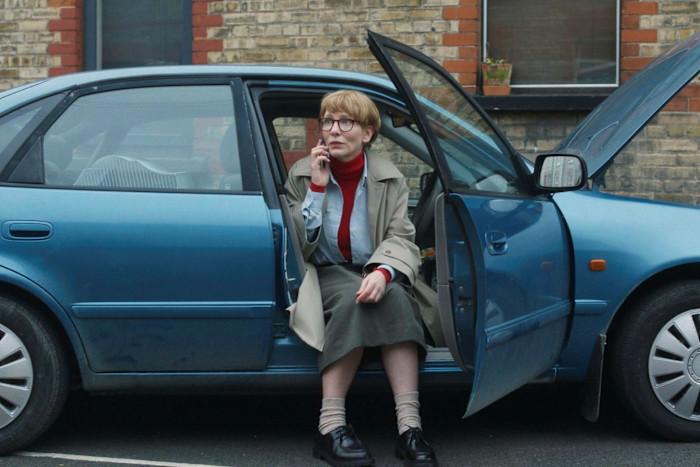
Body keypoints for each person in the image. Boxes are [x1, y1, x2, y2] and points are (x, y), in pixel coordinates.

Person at [284, 90, 441, 467]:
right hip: (324, 272)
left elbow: (401, 236)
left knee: (398, 299)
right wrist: (317, 187)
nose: (333, 130)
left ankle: (409, 428)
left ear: (367, 133)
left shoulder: (389, 178)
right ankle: (330, 426)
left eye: (345, 122)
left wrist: (383, 272)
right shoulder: (302, 174)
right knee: (354, 300)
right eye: (328, 122)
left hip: (373, 267)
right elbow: (298, 244)